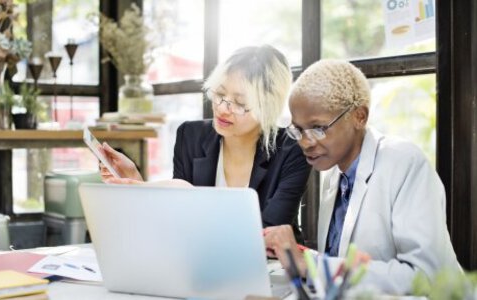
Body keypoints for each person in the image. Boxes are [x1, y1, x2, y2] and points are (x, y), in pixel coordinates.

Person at [263, 59, 460, 294]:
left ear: (359, 117)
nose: (305, 143)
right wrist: (298, 256)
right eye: (298, 130)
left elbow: (427, 277)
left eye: (318, 128)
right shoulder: (334, 176)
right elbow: (342, 265)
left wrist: (311, 265)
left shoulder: (403, 161)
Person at [99, 45, 311, 239]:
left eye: (239, 103)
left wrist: (189, 198)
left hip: (271, 270)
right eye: (219, 93)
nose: (221, 108)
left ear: (268, 106)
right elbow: (176, 225)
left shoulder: (291, 149)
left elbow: (269, 232)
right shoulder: (190, 136)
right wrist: (140, 186)